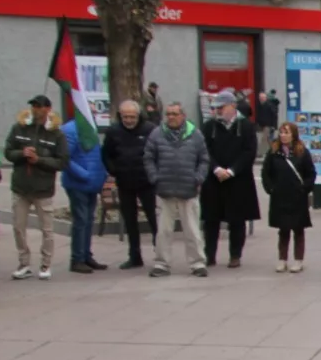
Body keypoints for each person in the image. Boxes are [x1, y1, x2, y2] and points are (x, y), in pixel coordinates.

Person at [143, 102, 210, 277]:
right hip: (165, 189)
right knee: (164, 231)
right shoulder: (157, 134)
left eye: (175, 114)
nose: (171, 117)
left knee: (193, 230)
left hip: (189, 189)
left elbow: (204, 159)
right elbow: (148, 158)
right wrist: (154, 177)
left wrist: (198, 178)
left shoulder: (195, 135)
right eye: (168, 114)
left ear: (183, 116)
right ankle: (161, 264)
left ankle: (197, 263)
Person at [3, 94, 65, 280]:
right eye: (33, 106)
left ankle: (45, 264)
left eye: (39, 107)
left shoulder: (56, 134)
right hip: (20, 187)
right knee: (18, 227)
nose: (36, 110)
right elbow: (7, 151)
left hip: (43, 189)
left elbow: (62, 162)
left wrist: (40, 160)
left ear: (48, 109)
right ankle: (24, 263)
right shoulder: (19, 127)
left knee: (47, 230)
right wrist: (21, 153)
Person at [199, 90, 260, 269]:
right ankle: (209, 255)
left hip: (238, 179)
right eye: (215, 107)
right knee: (211, 219)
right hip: (214, 179)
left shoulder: (246, 126)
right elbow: (204, 150)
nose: (217, 110)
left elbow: (249, 152)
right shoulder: (209, 127)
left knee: (237, 219)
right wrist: (216, 168)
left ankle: (235, 255)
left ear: (232, 106)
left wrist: (232, 170)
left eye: (221, 107)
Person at [102, 100, 158, 269]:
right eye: (125, 117)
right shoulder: (113, 131)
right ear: (120, 116)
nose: (129, 120)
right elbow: (106, 155)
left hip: (147, 182)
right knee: (130, 220)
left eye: (132, 117)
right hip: (124, 181)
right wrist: (114, 170)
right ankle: (134, 256)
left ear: (138, 115)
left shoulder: (150, 129)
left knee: (154, 218)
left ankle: (161, 254)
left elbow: (158, 152)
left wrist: (154, 173)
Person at [260, 121, 316, 273]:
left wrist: (305, 188)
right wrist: (271, 188)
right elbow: (266, 172)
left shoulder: (302, 151)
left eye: (287, 132)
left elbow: (310, 173)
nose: (283, 135)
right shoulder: (274, 152)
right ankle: (282, 259)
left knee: (298, 229)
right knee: (283, 229)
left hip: (297, 196)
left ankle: (298, 260)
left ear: (293, 134)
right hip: (280, 195)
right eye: (282, 132)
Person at [60, 117, 108, 274]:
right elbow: (65, 158)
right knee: (81, 220)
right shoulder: (70, 130)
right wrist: (84, 174)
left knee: (88, 220)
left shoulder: (89, 127)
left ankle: (86, 255)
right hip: (78, 183)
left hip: (91, 184)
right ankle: (77, 259)